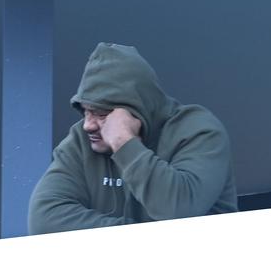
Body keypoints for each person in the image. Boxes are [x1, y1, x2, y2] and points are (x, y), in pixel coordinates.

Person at [28, 42, 237, 234]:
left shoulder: (197, 130)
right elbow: (43, 219)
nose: (88, 125)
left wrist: (124, 143)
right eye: (85, 111)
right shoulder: (80, 141)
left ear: (137, 108)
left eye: (101, 114)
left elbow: (179, 210)